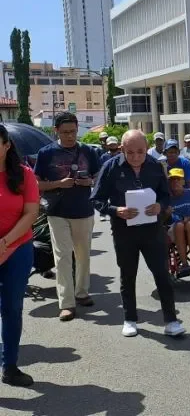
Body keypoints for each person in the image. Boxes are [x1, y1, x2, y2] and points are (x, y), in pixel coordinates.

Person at [91, 130, 185, 338]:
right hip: (124, 230)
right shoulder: (110, 167)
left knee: (162, 274)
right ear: (122, 149)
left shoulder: (155, 165)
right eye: (130, 152)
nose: (135, 157)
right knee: (128, 275)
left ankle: (171, 320)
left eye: (140, 152)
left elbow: (165, 195)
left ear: (147, 148)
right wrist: (117, 210)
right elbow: (96, 199)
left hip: (152, 229)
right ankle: (130, 319)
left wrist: (160, 206)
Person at [34, 112, 101, 321]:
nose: (70, 136)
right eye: (65, 132)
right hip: (57, 211)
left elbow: (99, 178)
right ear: (56, 131)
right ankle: (67, 303)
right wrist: (58, 184)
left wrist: (88, 182)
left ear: (77, 128)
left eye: (72, 131)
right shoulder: (45, 153)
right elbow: (36, 184)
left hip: (83, 210)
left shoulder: (89, 151)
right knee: (62, 257)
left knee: (83, 255)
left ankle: (82, 293)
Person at [0, 124, 39, 387]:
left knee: (12, 308)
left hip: (17, 249)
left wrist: (5, 241)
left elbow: (31, 213)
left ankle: (10, 365)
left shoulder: (24, 175)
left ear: (6, 145)